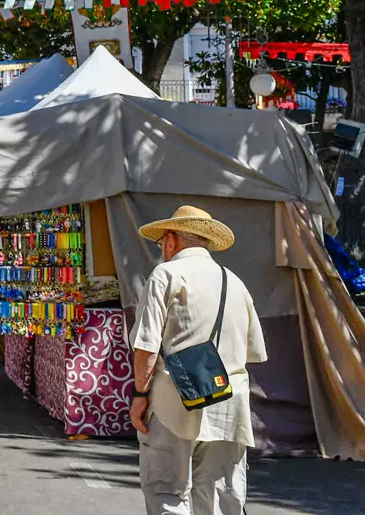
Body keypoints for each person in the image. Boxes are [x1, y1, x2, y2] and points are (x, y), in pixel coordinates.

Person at [129, 205, 266, 515]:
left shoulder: (165, 275)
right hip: (229, 400)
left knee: (167, 490)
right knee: (218, 497)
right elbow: (254, 350)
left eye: (161, 242)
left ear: (171, 240)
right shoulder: (235, 282)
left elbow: (147, 347)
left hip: (173, 397)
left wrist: (139, 395)